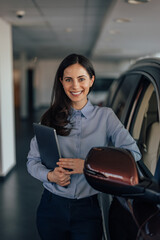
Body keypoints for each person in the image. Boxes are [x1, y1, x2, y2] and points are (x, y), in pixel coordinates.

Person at [27, 53, 141, 240]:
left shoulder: (106, 116)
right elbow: (32, 161)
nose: (75, 86)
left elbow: (133, 154)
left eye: (81, 79)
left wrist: (88, 165)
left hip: (87, 210)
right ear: (61, 82)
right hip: (51, 207)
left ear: (91, 80)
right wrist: (50, 175)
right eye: (68, 80)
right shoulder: (49, 118)